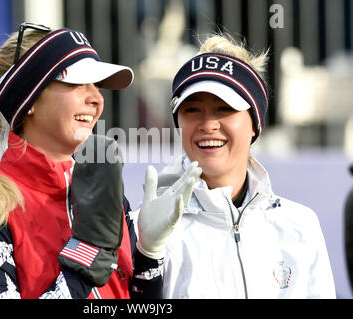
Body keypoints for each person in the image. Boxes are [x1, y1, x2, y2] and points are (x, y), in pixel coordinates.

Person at [0, 23, 201, 299]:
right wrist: (82, 263)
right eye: (76, 83)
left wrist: (149, 255)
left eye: (96, 85)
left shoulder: (102, 189)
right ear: (30, 98)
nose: (96, 99)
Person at [136, 33, 336, 298]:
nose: (208, 125)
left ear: (255, 124)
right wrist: (146, 256)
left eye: (224, 108)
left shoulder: (301, 225)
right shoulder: (145, 228)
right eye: (192, 110)